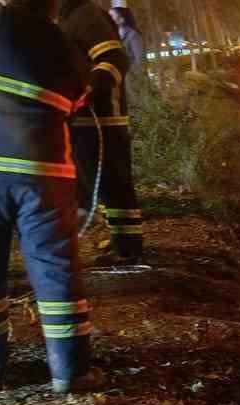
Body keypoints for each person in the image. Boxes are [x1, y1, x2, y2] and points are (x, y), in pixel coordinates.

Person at [0, 0, 102, 393]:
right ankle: (70, 372)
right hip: (46, 175)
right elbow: (79, 99)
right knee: (56, 268)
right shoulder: (65, 46)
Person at [60, 0, 142, 263]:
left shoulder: (86, 15)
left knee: (114, 183)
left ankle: (128, 248)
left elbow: (114, 58)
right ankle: (120, 240)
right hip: (82, 117)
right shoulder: (68, 18)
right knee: (100, 182)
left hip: (103, 118)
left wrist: (90, 92)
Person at [110, 1, 144, 80]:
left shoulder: (133, 35)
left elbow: (140, 59)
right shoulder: (113, 36)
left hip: (133, 80)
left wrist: (131, 76)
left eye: (111, 16)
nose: (109, 18)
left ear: (121, 19)